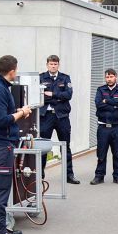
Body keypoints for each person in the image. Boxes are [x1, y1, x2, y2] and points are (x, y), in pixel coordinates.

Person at [0, 55, 32, 234]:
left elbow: (2, 114)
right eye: (16, 70)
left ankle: (2, 229)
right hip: (0, 145)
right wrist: (22, 113)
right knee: (0, 190)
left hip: (2, 144)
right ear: (12, 70)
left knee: (1, 189)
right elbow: (1, 120)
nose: (16, 73)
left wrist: (17, 110)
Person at [38, 55, 79, 185]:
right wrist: (58, 97)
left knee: (65, 146)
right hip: (46, 116)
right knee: (43, 147)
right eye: (51, 64)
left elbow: (69, 95)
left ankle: (69, 175)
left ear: (58, 65)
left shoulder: (65, 78)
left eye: (55, 64)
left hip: (62, 116)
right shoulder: (41, 78)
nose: (53, 66)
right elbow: (39, 96)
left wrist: (52, 94)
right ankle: (39, 175)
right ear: (47, 65)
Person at [91, 68, 118, 185]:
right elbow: (98, 104)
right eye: (107, 77)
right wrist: (113, 104)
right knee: (101, 153)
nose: (109, 79)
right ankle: (99, 176)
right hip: (103, 127)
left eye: (111, 77)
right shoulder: (100, 90)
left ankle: (117, 176)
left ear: (115, 77)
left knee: (117, 152)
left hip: (117, 127)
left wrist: (106, 101)